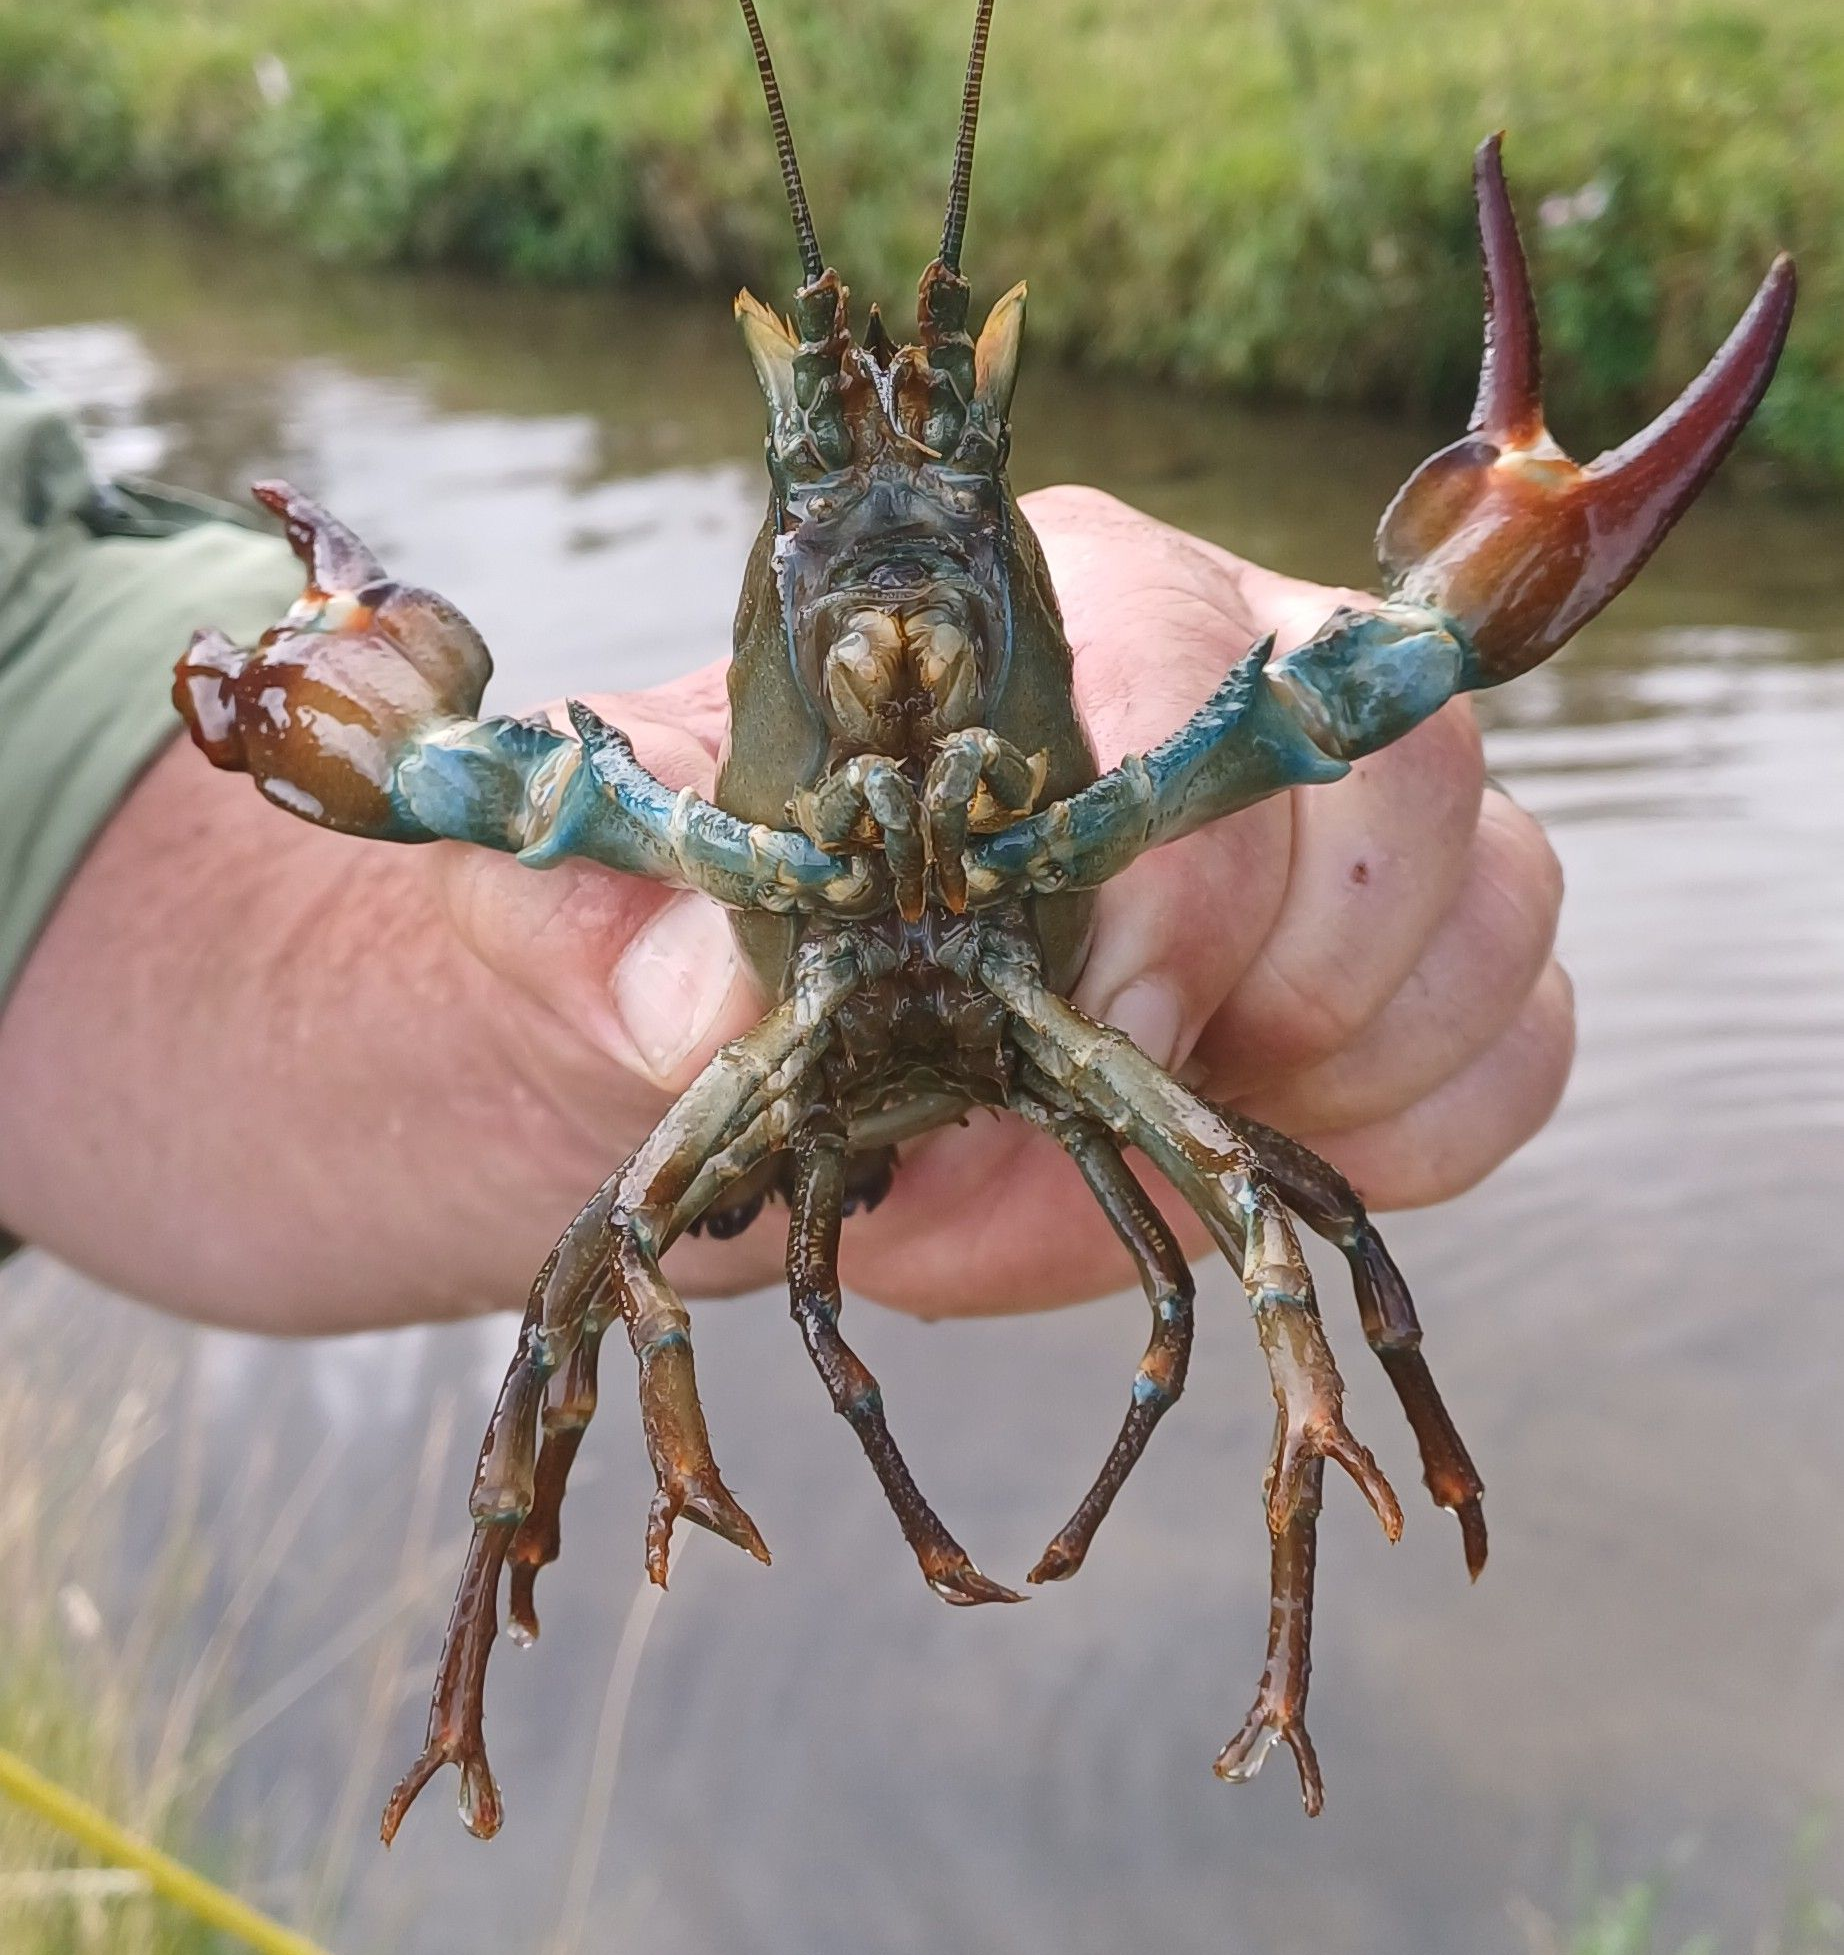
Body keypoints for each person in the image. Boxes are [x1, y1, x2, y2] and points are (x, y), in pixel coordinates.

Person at [0, 368, 1570, 1336]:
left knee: (1298, 1241)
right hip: (794, 1095)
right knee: (593, 1298)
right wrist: (579, 1007)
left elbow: (40, 682)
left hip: (1033, 1062)